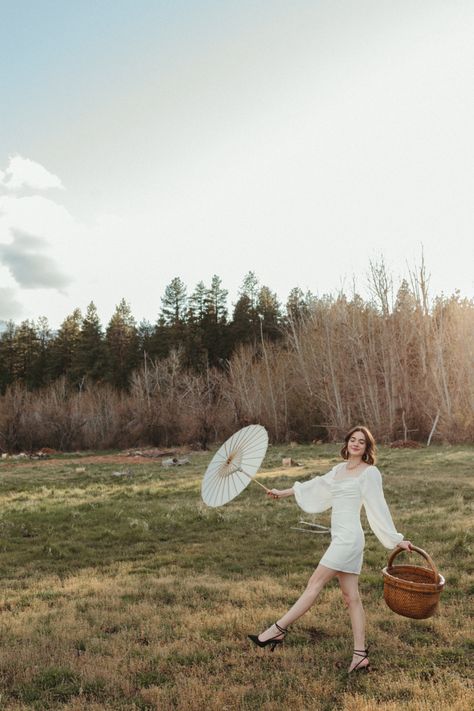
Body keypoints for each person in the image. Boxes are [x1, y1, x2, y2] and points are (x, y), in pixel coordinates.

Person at [248, 425, 413, 672]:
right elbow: (315, 485)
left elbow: (378, 507)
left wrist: (395, 538)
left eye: (362, 442)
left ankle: (276, 631)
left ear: (367, 448)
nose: (356, 444)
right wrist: (282, 493)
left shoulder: (370, 473)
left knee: (314, 584)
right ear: (346, 444)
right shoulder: (339, 469)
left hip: (349, 540)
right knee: (351, 598)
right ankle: (360, 655)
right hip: (340, 538)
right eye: (353, 440)